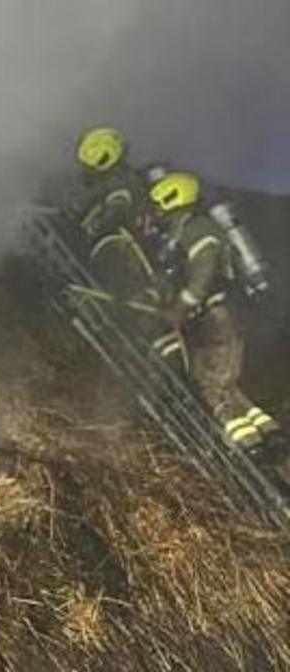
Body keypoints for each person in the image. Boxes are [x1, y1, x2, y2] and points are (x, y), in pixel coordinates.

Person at [147, 172, 283, 457]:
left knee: (208, 384)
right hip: (228, 314)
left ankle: (246, 446)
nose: (157, 211)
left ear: (173, 198)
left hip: (216, 317)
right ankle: (269, 435)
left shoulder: (197, 229)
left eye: (159, 204)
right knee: (227, 386)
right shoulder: (194, 229)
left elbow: (204, 271)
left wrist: (180, 308)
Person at [70, 128, 186, 370]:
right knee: (134, 308)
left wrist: (85, 230)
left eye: (88, 163)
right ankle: (157, 363)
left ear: (102, 158)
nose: (85, 170)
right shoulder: (123, 180)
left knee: (133, 306)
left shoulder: (119, 182)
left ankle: (165, 370)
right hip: (122, 251)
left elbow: (115, 214)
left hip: (119, 251)